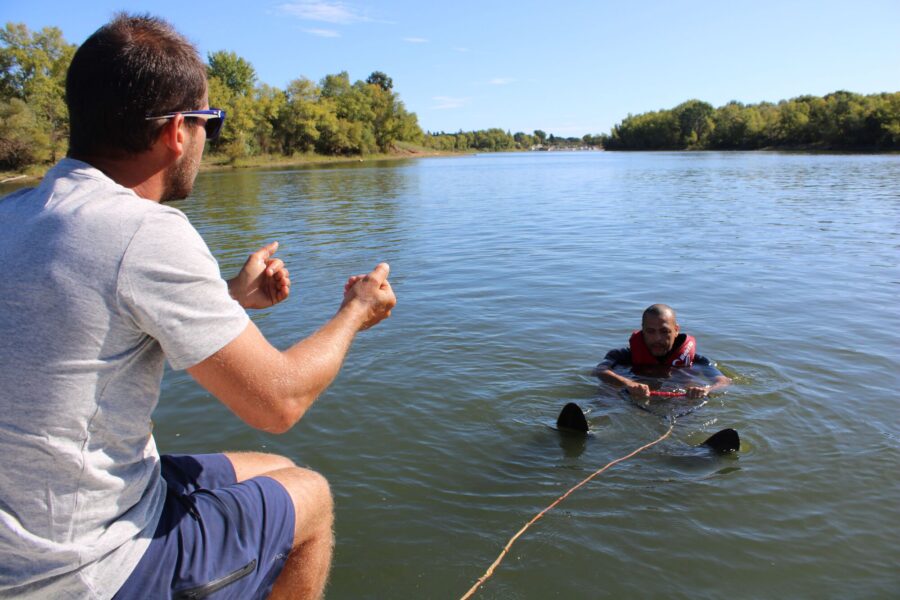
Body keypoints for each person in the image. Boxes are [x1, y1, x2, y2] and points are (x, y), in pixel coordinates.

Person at [0, 14, 395, 600]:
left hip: (29, 533)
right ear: (177, 131)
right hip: (77, 569)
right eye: (213, 121)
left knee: (271, 468)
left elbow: (92, 320)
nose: (211, 140)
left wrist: (229, 299)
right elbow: (279, 400)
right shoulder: (145, 230)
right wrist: (355, 312)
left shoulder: (18, 214)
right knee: (309, 494)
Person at [594, 304, 730, 401]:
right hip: (631, 401)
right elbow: (600, 371)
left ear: (676, 330)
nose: (657, 338)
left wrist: (706, 390)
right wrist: (628, 384)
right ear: (643, 330)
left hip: (678, 404)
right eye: (651, 331)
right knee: (607, 390)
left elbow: (724, 381)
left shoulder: (696, 360)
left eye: (664, 332)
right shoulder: (621, 356)